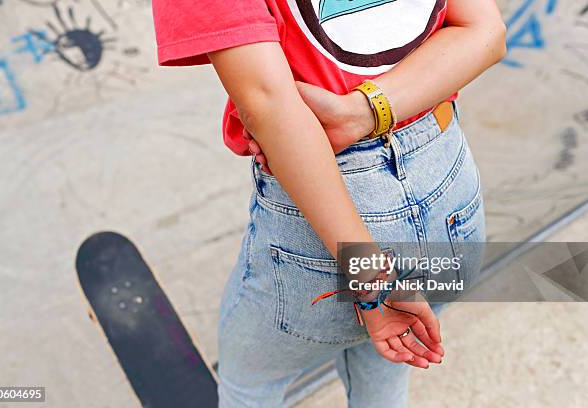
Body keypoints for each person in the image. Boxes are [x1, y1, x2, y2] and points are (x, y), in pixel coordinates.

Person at [152, 0, 506, 406]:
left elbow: (270, 104)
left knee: (250, 382)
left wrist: (372, 280)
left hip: (328, 212)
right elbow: (486, 31)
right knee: (387, 370)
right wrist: (363, 111)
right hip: (450, 185)